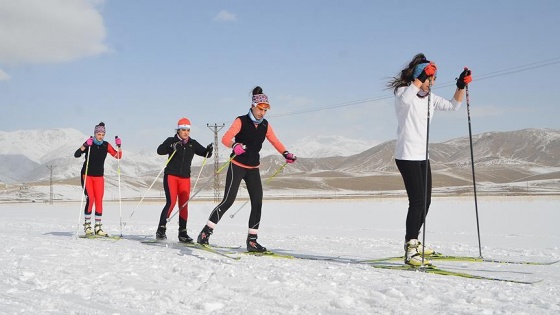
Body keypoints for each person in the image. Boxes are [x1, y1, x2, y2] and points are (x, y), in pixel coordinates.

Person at [386, 53, 472, 266]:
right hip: (406, 156)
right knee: (416, 202)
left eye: (433, 79)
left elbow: (454, 106)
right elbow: (406, 99)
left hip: (423, 156)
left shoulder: (430, 98)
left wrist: (461, 85)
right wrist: (421, 75)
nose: (432, 83)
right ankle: (410, 248)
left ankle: (415, 240)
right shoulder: (403, 92)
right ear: (421, 77)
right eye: (429, 79)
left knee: (426, 201)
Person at [197, 86, 297, 252]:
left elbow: (275, 141)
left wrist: (285, 153)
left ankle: (252, 241)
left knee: (257, 202)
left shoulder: (265, 125)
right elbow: (225, 138)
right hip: (237, 165)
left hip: (253, 168)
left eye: (265, 110)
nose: (263, 113)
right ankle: (205, 233)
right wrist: (234, 145)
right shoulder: (241, 121)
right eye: (260, 109)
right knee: (228, 201)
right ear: (253, 106)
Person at [155, 118, 213, 243]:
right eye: (183, 130)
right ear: (178, 130)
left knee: (184, 205)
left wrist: (209, 150)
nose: (186, 132)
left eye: (188, 130)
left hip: (185, 178)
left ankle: (183, 233)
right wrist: (172, 146)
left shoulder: (192, 143)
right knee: (171, 202)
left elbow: (205, 154)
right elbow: (159, 150)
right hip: (171, 176)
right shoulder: (172, 140)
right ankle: (161, 230)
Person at [75, 122, 123, 236]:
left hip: (99, 177)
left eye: (102, 134)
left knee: (99, 201)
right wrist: (85, 145)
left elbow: (118, 156)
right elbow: (76, 154)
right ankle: (87, 226)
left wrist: (119, 146)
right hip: (87, 175)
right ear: (95, 133)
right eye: (98, 134)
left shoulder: (106, 145)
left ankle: (98, 228)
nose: (100, 136)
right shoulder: (89, 144)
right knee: (90, 198)